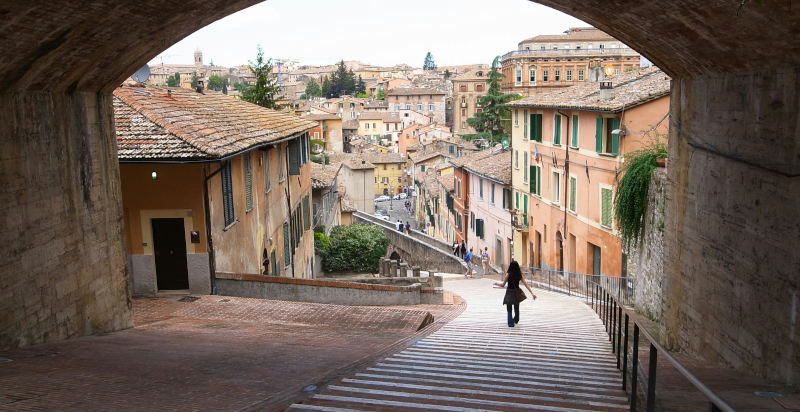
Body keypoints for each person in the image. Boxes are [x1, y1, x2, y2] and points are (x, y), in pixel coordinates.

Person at [494, 261, 536, 327]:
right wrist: (532, 293)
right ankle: (516, 320)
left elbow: (503, 285)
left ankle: (510, 323)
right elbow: (526, 284)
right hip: (516, 293)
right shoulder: (519, 275)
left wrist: (496, 284)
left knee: (509, 308)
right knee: (516, 307)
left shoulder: (508, 274)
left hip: (509, 292)